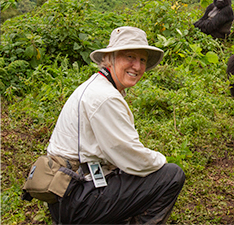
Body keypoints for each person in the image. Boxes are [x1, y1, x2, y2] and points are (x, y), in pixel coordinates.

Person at [46, 26, 185, 224]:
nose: (136, 66)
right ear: (110, 59)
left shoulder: (98, 86)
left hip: (67, 192)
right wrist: (161, 161)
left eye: (142, 60)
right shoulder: (105, 97)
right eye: (129, 57)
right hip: (77, 199)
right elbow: (132, 157)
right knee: (171, 175)